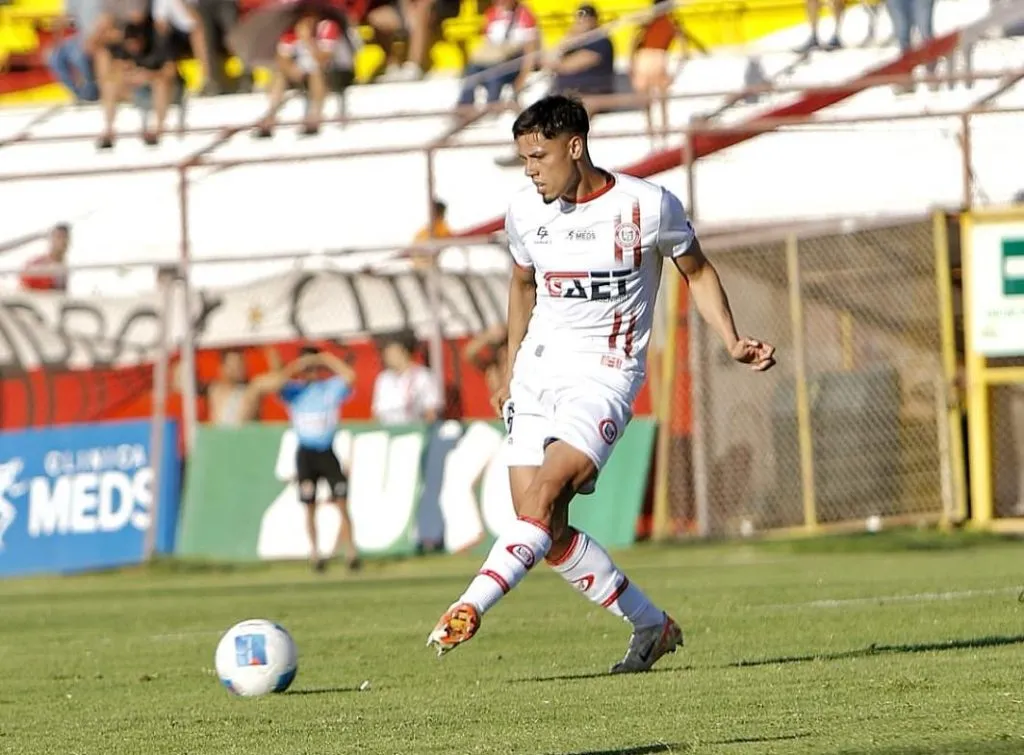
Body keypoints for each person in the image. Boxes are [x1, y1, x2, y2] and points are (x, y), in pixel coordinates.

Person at [426, 95, 776, 672]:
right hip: (537, 374)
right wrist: (511, 371)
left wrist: (731, 338)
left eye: (538, 157)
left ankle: (470, 605)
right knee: (544, 528)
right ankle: (652, 625)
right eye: (523, 159)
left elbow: (697, 271)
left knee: (542, 500)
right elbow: (521, 286)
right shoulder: (525, 212)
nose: (530, 170)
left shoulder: (648, 206)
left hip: (605, 377)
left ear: (575, 147)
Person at [267, 345, 360, 573]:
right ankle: (315, 552)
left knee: (341, 501)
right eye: (308, 368)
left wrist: (326, 359)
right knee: (309, 505)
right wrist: (298, 366)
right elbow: (275, 384)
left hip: (326, 451)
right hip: (306, 454)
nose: (311, 372)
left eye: (314, 368)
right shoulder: (294, 392)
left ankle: (351, 552)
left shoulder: (329, 389)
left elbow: (350, 377)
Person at [371, 334, 443, 424]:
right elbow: (377, 413)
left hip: (414, 427)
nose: (387, 358)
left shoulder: (423, 376)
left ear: (404, 353)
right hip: (387, 429)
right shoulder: (383, 378)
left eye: (391, 353)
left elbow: (431, 410)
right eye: (386, 354)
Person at [21, 223, 71, 292]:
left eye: (65, 238)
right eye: (59, 237)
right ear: (51, 239)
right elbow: (23, 286)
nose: (62, 241)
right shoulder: (37, 263)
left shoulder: (65, 266)